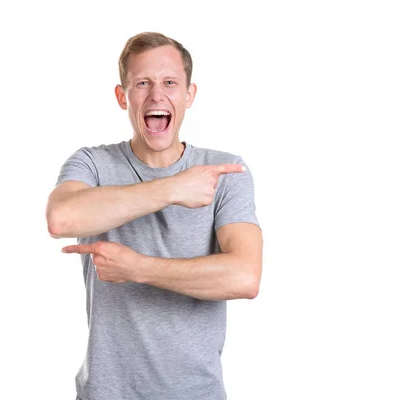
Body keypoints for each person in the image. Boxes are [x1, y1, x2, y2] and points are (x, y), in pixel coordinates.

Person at [46, 32, 263, 400]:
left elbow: (244, 277)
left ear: (189, 95)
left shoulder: (223, 172)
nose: (156, 95)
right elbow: (62, 219)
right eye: (142, 83)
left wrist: (137, 268)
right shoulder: (93, 164)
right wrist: (172, 189)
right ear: (122, 96)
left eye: (170, 83)